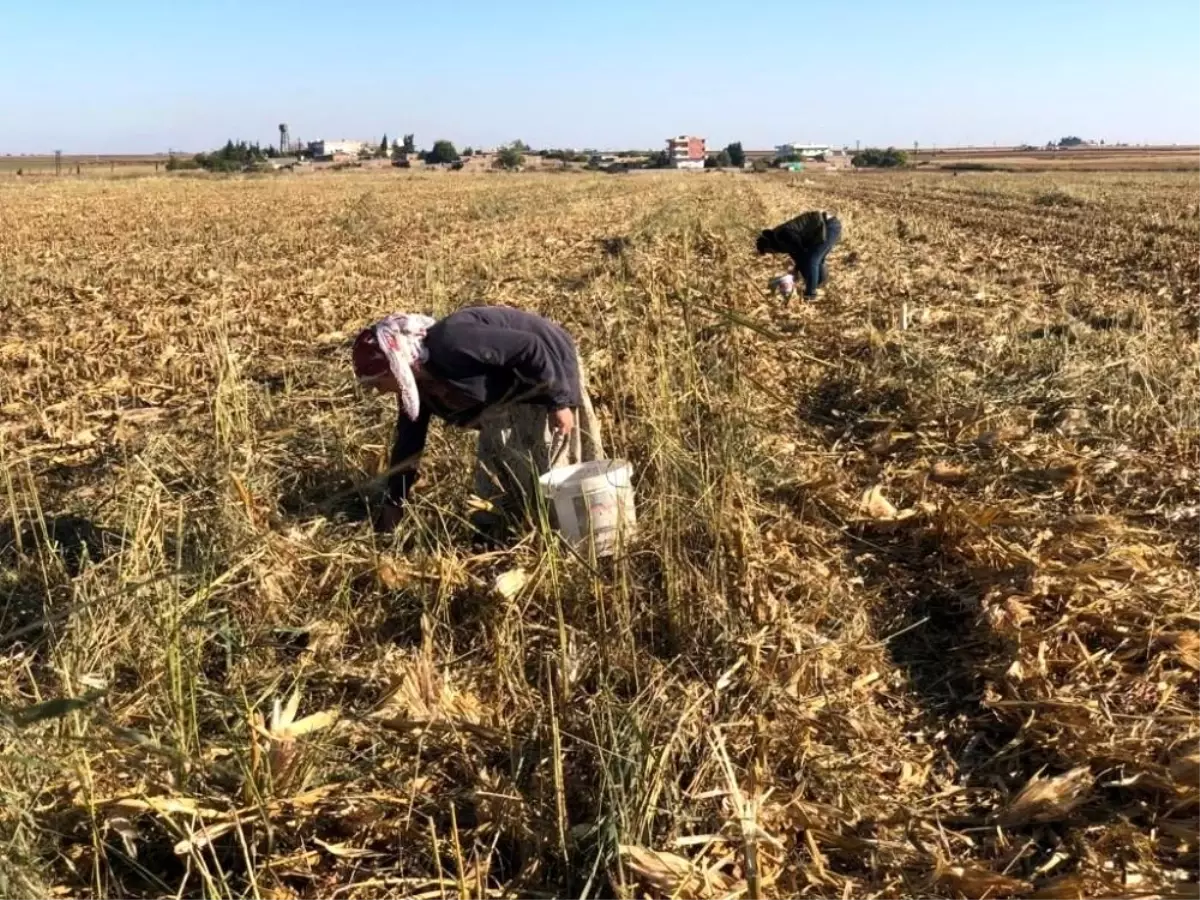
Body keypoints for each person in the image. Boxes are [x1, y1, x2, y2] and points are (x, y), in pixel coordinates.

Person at [351, 305, 605, 537]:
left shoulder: (452, 342)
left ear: (395, 366)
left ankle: (576, 538)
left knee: (552, 471)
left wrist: (558, 402)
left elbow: (531, 347)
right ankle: (506, 535)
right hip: (505, 401)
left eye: (377, 382)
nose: (379, 391)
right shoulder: (417, 389)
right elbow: (409, 444)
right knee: (498, 478)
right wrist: (395, 501)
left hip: (546, 372)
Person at [755, 210, 842, 300]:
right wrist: (795, 271)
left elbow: (799, 248)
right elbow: (798, 256)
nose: (771, 253)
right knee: (812, 260)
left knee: (812, 260)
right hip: (824, 228)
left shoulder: (782, 235)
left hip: (828, 226)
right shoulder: (780, 241)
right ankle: (818, 285)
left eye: (768, 251)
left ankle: (810, 294)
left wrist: (802, 262)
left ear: (768, 246)